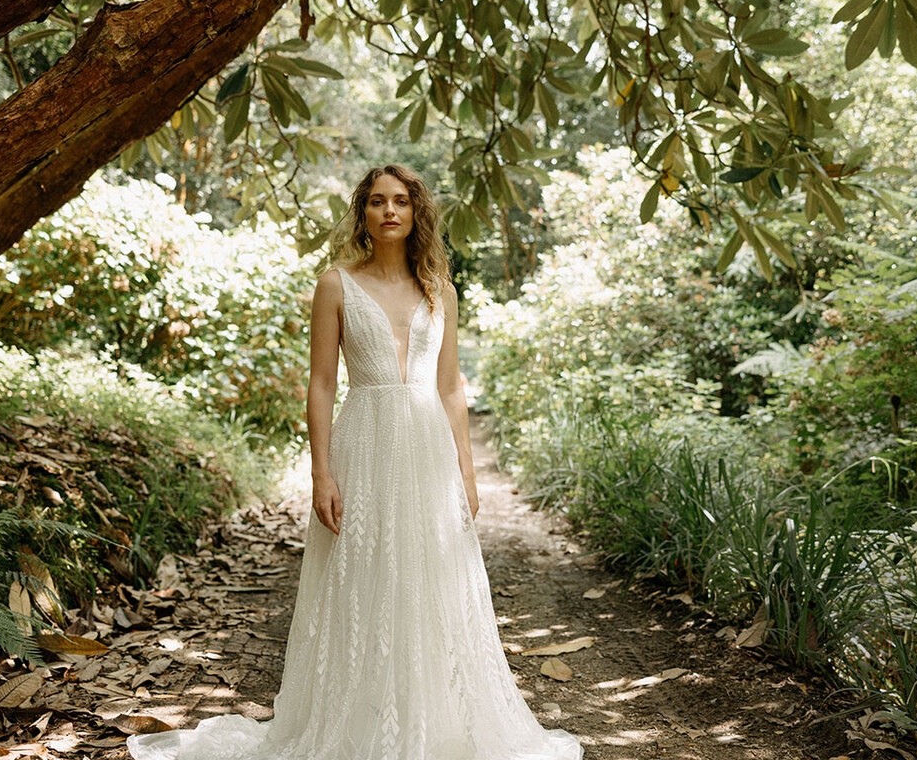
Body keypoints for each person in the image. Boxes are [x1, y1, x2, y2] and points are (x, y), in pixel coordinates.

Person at [126, 165, 584, 760]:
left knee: (429, 581)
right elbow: (320, 384)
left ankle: (432, 726)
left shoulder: (439, 290)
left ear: (417, 212)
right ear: (362, 213)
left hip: (426, 450)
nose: (389, 211)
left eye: (400, 201)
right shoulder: (336, 284)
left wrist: (468, 474)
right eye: (376, 201)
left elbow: (449, 388)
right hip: (363, 441)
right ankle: (355, 727)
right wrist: (322, 473)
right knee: (360, 580)